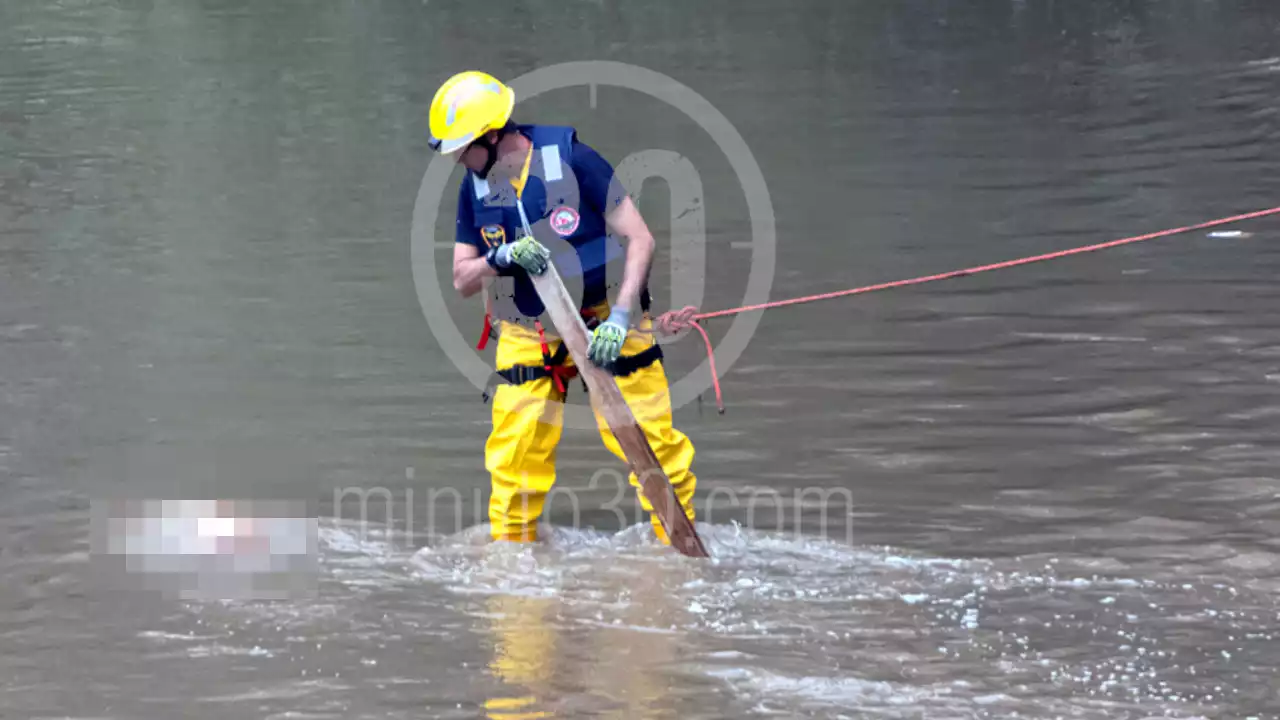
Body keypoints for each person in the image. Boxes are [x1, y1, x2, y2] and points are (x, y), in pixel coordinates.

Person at [427, 70, 699, 546]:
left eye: (461, 148)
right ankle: (516, 583)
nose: (456, 160)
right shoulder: (474, 187)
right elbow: (461, 278)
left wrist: (620, 316)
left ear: (493, 135)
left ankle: (679, 559)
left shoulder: (575, 159)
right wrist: (501, 257)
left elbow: (640, 239)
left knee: (656, 452)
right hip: (529, 330)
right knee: (513, 467)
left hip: (607, 316)